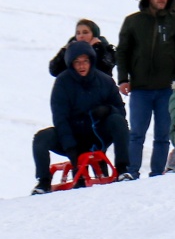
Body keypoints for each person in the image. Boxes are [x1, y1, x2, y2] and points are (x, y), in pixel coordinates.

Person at [116, 0, 175, 179]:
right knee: (137, 134)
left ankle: (157, 173)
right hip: (140, 88)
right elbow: (122, 51)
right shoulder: (133, 21)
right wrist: (123, 78)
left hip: (167, 89)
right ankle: (131, 172)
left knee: (162, 136)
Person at [32, 40, 133, 192]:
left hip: (97, 134)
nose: (81, 66)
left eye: (85, 61)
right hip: (72, 137)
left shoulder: (105, 81)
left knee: (118, 121)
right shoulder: (62, 83)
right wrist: (70, 147)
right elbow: (60, 118)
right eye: (77, 62)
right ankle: (43, 182)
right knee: (41, 138)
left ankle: (122, 169)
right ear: (71, 63)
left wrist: (107, 110)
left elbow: (120, 110)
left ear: (91, 61)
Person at [48, 19, 117, 77]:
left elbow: (106, 69)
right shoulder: (71, 50)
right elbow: (54, 71)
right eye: (78, 33)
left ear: (94, 34)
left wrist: (98, 48)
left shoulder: (104, 49)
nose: (81, 36)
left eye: (85, 32)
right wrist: (64, 51)